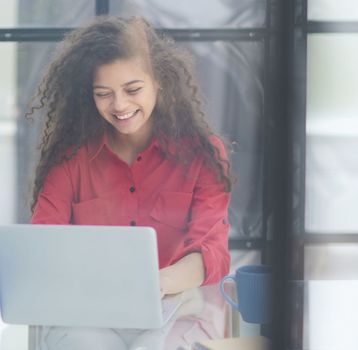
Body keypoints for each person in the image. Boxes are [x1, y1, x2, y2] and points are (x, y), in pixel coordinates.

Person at [27, 15, 232, 349]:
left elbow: (211, 251)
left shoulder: (202, 154)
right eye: (103, 93)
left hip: (177, 307)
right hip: (89, 311)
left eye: (133, 89)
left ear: (159, 83)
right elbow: (43, 243)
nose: (120, 105)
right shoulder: (71, 158)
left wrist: (155, 282)